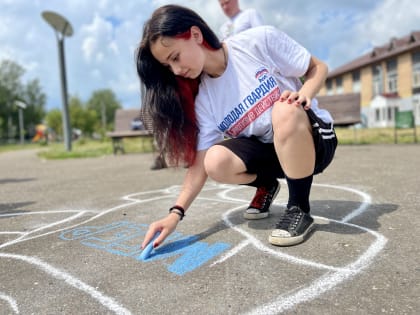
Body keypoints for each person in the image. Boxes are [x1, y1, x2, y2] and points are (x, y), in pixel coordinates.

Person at [136, 5, 337, 249]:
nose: (177, 70)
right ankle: (266, 184)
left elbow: (318, 67)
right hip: (273, 153)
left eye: (175, 57)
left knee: (284, 108)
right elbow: (200, 163)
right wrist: (175, 213)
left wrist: (303, 94)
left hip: (314, 142)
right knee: (215, 160)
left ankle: (299, 208)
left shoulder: (257, 41)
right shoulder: (205, 100)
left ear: (196, 35)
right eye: (169, 66)